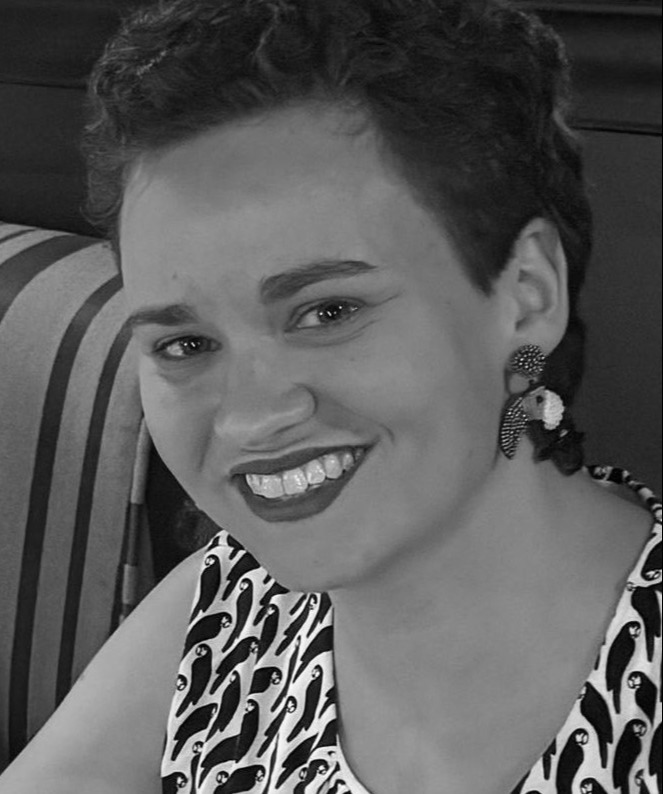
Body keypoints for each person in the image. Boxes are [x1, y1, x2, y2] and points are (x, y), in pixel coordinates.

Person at [1, 0, 660, 792]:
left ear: (524, 295)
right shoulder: (228, 606)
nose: (250, 417)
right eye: (185, 345)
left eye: (328, 313)